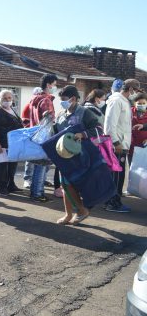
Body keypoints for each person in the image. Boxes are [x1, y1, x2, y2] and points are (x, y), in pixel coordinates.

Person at [54, 85, 99, 224]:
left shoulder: (85, 112)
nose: (62, 102)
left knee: (72, 184)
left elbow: (98, 129)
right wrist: (49, 122)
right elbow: (56, 131)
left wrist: (83, 134)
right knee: (65, 184)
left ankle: (81, 210)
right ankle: (68, 215)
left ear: (73, 98)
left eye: (64, 99)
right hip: (63, 155)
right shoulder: (61, 114)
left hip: (80, 154)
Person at [103, 78, 138, 213]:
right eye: (135, 90)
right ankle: (113, 203)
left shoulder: (124, 101)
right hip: (117, 145)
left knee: (118, 174)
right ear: (129, 89)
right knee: (117, 175)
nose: (135, 93)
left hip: (121, 144)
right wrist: (116, 142)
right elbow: (109, 125)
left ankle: (112, 201)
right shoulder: (117, 100)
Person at [0, 89, 24, 197]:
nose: (7, 100)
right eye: (4, 98)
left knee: (12, 165)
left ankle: (10, 185)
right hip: (2, 143)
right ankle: (1, 188)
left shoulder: (12, 109)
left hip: (13, 144)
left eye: (9, 98)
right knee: (1, 166)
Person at [26, 74, 56, 201]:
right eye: (54, 84)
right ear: (49, 85)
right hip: (44, 136)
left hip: (35, 134)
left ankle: (36, 192)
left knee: (38, 164)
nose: (55, 87)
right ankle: (38, 194)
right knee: (42, 165)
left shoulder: (35, 99)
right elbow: (47, 117)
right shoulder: (46, 100)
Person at [130, 93, 147, 166]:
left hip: (145, 145)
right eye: (139, 103)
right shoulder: (129, 111)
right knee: (133, 168)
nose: (142, 105)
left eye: (144, 103)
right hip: (132, 145)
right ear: (134, 103)